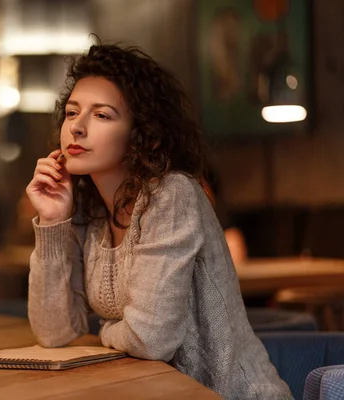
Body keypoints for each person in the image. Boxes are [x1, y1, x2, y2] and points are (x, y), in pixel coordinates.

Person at [25, 39, 291, 399]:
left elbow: (150, 340)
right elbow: (53, 332)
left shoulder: (171, 195)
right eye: (72, 113)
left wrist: (101, 330)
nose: (78, 127)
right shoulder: (87, 210)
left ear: (142, 134)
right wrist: (53, 222)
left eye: (101, 115)